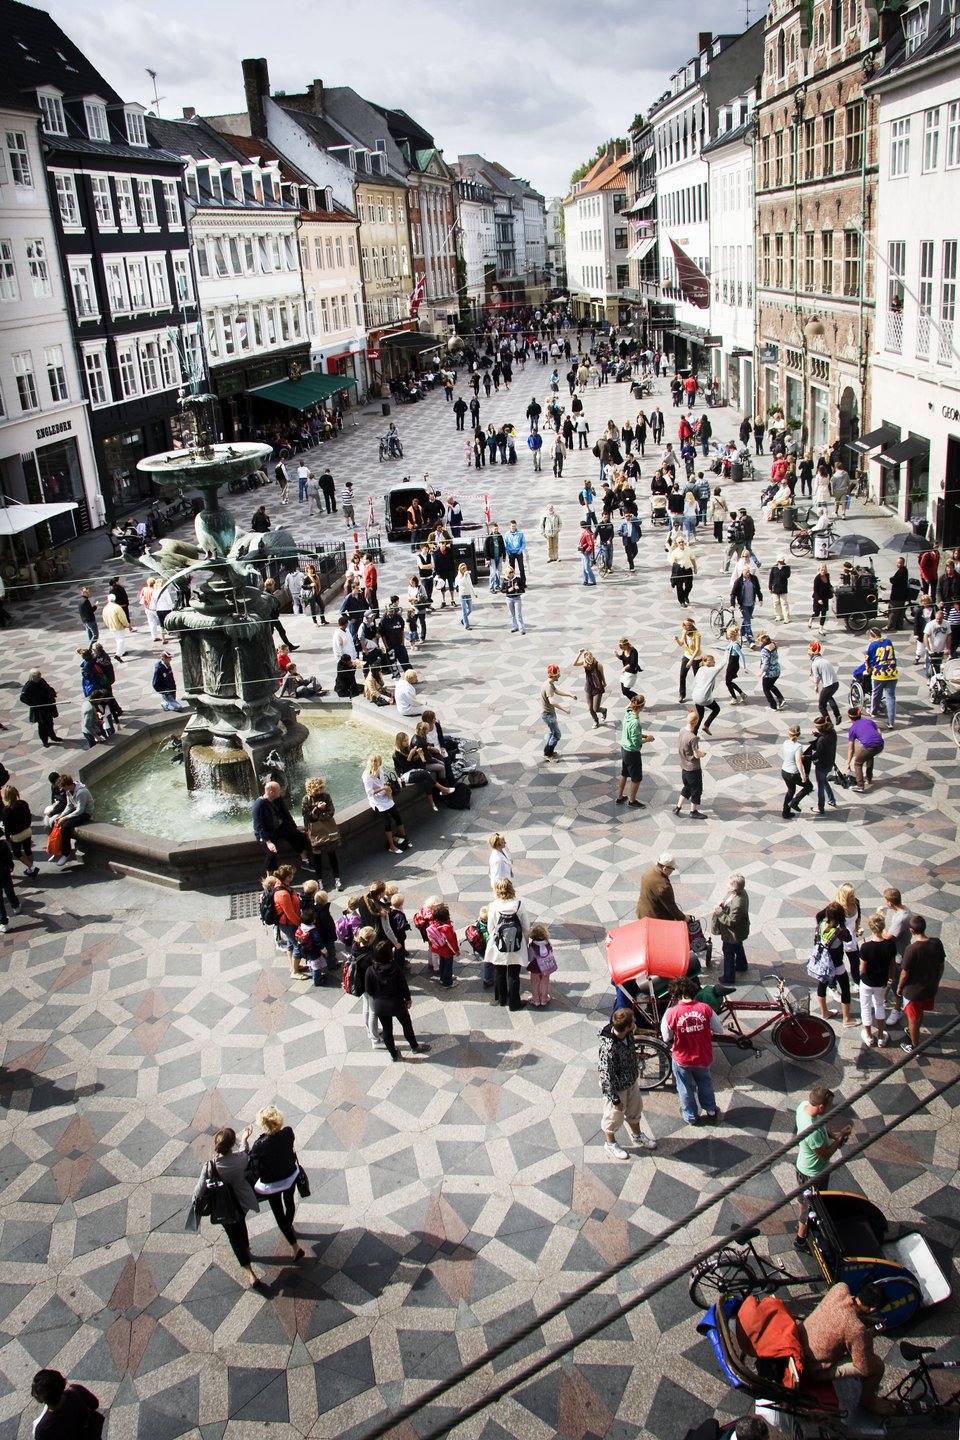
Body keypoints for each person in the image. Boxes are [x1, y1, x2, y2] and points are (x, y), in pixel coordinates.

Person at [799, 1282, 892, 1415]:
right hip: (813, 1368)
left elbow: (843, 1314)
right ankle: (867, 1403)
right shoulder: (856, 1329)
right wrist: (868, 1336)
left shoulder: (840, 1288)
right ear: (873, 1309)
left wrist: (866, 1322)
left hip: (800, 1342)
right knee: (876, 1366)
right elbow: (864, 1368)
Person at [191, 1126, 264, 1289]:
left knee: (233, 1236)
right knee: (241, 1224)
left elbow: (199, 1190)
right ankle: (246, 1247)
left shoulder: (210, 1167)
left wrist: (195, 1203)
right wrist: (245, 1138)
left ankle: (249, 1272)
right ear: (232, 1145)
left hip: (224, 1208)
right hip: (242, 1202)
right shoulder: (240, 1160)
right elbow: (245, 1152)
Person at [794, 1085, 851, 1249]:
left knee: (802, 1200)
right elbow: (824, 1154)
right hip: (813, 1173)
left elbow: (822, 1126)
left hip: (801, 1166)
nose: (830, 1109)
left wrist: (835, 1134)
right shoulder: (811, 1132)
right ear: (821, 1107)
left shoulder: (803, 1106)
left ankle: (801, 1225)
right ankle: (801, 1240)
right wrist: (839, 1141)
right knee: (810, 1208)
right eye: (829, 1106)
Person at [661, 977, 724, 1125]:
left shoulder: (671, 1013)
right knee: (705, 1083)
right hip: (703, 1056)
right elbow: (719, 1029)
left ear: (676, 995)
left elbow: (666, 1037)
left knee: (684, 1087)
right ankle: (711, 1109)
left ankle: (690, 1116)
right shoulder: (705, 1008)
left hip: (682, 1058)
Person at [597, 1007, 658, 1159]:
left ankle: (637, 1135)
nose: (635, 1023)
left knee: (635, 1110)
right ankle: (610, 1143)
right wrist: (615, 1099)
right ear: (626, 1026)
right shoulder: (609, 1048)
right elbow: (605, 1076)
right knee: (613, 1116)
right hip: (617, 1088)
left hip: (631, 1080)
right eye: (633, 1022)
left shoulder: (628, 1034)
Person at [247, 1107, 304, 1260]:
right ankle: (289, 1225)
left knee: (278, 1213)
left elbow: (251, 1160)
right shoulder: (288, 1132)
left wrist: (245, 1140)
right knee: (290, 1202)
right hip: (290, 1176)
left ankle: (295, 1246)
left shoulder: (259, 1144)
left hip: (272, 1184)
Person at [365, 942, 429, 1060]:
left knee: (387, 1029)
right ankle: (414, 1046)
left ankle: (393, 1054)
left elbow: (369, 990)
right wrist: (408, 999)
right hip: (397, 1003)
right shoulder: (395, 968)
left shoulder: (370, 970)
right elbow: (403, 986)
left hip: (380, 1005)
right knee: (406, 1025)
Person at [895, 914, 945, 1054]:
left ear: (911, 931)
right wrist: (937, 981)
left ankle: (915, 1047)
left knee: (912, 1018)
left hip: (913, 992)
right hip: (929, 988)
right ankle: (914, 1030)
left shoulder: (911, 949)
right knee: (919, 1013)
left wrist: (899, 988)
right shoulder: (937, 943)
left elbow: (904, 973)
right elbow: (941, 966)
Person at [485, 877, 531, 1011]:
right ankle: (514, 1003)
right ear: (511, 888)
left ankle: (501, 998)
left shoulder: (493, 906)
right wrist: (525, 941)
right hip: (516, 944)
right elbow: (526, 927)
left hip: (499, 945)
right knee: (513, 974)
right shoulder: (518, 905)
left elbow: (490, 928)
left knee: (499, 972)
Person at [858, 913, 895, 1047]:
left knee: (865, 1007)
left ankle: (869, 1036)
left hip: (867, 982)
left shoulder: (865, 947)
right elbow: (892, 964)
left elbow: (862, 969)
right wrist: (892, 977)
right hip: (881, 982)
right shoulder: (890, 945)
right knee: (880, 1005)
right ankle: (880, 1036)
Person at [29, 1370, 103, 1437]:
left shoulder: (42, 1429)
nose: (32, 1393)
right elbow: (95, 1403)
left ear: (42, 1399)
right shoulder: (76, 1390)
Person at [363, 753, 410, 854]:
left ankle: (404, 838)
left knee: (398, 817)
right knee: (387, 823)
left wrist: (386, 788)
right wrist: (382, 788)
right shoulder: (367, 775)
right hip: (377, 801)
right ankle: (392, 846)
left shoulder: (380, 770)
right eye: (376, 763)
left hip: (385, 796)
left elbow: (383, 782)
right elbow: (369, 793)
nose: (377, 765)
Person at [301, 777, 341, 891]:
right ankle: (320, 881)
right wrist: (318, 809)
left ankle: (337, 879)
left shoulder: (326, 796)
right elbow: (307, 817)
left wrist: (321, 814)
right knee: (317, 858)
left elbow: (331, 812)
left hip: (328, 831)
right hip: (315, 833)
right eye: (319, 787)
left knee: (332, 855)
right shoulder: (306, 799)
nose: (322, 789)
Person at [615, 693, 653, 808]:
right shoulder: (635, 722)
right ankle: (632, 800)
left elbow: (631, 734)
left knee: (624, 773)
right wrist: (648, 739)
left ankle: (620, 797)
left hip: (624, 749)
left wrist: (643, 735)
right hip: (632, 753)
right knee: (636, 778)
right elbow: (636, 742)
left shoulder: (627, 714)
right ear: (641, 707)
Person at [712, 874, 750, 984]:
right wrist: (723, 903)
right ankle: (742, 965)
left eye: (728, 884)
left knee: (728, 952)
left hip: (733, 933)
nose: (726, 886)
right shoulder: (738, 892)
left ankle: (729, 977)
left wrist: (720, 913)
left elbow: (731, 921)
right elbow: (728, 899)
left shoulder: (739, 903)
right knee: (738, 946)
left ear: (734, 888)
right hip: (738, 932)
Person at [2, 783, 39, 879]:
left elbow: (7, 826)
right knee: (28, 850)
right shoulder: (23, 803)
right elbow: (29, 816)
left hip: (17, 835)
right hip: (27, 831)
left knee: (17, 853)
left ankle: (32, 867)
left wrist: (7, 836)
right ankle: (31, 870)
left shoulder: (6, 810)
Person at [636, 854, 688, 921]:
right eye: (672, 869)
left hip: (642, 911)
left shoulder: (649, 871)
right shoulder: (664, 886)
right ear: (665, 868)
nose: (672, 871)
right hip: (655, 918)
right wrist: (683, 917)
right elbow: (671, 906)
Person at [55, 774, 93, 865]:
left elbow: (80, 810)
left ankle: (66, 853)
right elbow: (69, 805)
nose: (62, 789)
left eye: (62, 787)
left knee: (65, 827)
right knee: (56, 823)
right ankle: (58, 848)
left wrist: (65, 818)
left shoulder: (81, 792)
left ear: (67, 785)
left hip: (85, 813)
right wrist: (61, 816)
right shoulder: (69, 791)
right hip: (76, 809)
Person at [675, 710, 707, 819]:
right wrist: (703, 754)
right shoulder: (693, 737)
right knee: (696, 790)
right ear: (696, 722)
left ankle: (678, 807)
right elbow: (696, 754)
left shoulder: (681, 730)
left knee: (687, 787)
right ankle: (693, 811)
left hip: (684, 767)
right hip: (693, 768)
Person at [865, 627, 898, 729]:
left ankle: (874, 712)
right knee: (891, 697)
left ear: (872, 636)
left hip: (879, 673)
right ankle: (891, 722)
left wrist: (868, 670)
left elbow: (868, 659)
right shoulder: (888, 641)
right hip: (892, 672)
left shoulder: (872, 644)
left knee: (876, 693)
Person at [540, 663, 574, 763]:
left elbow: (557, 692)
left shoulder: (549, 683)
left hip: (548, 713)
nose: (559, 676)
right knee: (557, 735)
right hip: (548, 714)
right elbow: (552, 701)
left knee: (552, 732)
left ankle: (548, 751)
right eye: (558, 675)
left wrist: (570, 695)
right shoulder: (548, 686)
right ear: (553, 676)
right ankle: (548, 754)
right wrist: (564, 709)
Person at [844, 707, 884, 792]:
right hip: (880, 744)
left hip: (869, 746)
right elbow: (879, 731)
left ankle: (860, 785)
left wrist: (848, 763)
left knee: (858, 763)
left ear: (850, 717)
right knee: (869, 756)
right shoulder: (869, 721)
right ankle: (869, 778)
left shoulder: (852, 729)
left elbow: (851, 749)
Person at [19, 669, 60, 747]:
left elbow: (48, 688)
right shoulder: (28, 687)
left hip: (48, 706)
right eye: (38, 677)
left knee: (50, 723)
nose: (39, 678)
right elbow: (22, 698)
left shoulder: (42, 681)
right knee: (42, 726)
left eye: (40, 676)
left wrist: (52, 693)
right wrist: (34, 704)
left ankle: (53, 736)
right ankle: (45, 741)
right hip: (40, 710)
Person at [780, 724, 809, 820]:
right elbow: (798, 761)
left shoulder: (785, 743)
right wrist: (803, 774)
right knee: (809, 787)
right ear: (799, 734)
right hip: (793, 773)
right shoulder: (798, 746)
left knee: (790, 790)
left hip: (784, 771)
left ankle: (785, 812)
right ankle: (794, 802)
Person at [574, 648, 607, 727]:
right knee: (590, 708)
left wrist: (604, 683)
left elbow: (602, 675)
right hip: (589, 687)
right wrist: (579, 653)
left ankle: (604, 710)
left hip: (597, 687)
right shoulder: (584, 663)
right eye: (587, 663)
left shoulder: (598, 665)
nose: (588, 665)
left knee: (596, 708)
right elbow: (574, 663)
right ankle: (596, 721)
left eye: (589, 663)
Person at [690, 654, 720, 734]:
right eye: (713, 661)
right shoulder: (710, 670)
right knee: (716, 709)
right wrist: (727, 653)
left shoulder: (701, 669)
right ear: (710, 662)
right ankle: (706, 725)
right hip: (703, 697)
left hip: (696, 696)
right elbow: (721, 665)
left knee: (700, 716)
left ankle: (694, 734)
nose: (715, 663)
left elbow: (694, 683)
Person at [674, 617, 702, 703]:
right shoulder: (684, 631)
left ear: (691, 625)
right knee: (682, 675)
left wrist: (691, 661)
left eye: (687, 625)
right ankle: (682, 695)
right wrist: (677, 639)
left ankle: (700, 694)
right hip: (687, 655)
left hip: (696, 657)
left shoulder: (696, 634)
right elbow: (681, 643)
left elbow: (697, 649)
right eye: (684, 625)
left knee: (697, 677)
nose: (686, 627)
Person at [758, 634, 785, 711]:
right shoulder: (773, 644)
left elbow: (765, 663)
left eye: (759, 642)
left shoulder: (764, 650)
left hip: (769, 673)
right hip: (777, 670)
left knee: (766, 689)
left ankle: (773, 706)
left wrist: (761, 672)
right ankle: (781, 699)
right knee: (770, 686)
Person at [810, 564, 833, 636]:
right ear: (819, 570)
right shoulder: (817, 578)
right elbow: (815, 590)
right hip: (818, 598)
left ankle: (821, 629)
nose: (822, 572)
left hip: (825, 597)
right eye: (821, 570)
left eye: (824, 570)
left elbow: (828, 584)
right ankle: (811, 618)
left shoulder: (827, 576)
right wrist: (819, 599)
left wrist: (832, 588)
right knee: (817, 613)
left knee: (824, 614)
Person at [503, 567, 526, 634]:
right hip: (509, 598)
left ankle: (521, 628)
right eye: (509, 573)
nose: (511, 574)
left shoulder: (517, 579)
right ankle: (514, 627)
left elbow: (523, 587)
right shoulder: (505, 580)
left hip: (517, 598)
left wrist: (518, 588)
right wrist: (508, 590)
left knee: (518, 614)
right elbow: (502, 590)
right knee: (512, 614)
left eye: (512, 572)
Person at [504, 519, 527, 585]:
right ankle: (512, 583)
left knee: (521, 568)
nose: (513, 527)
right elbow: (505, 544)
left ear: (516, 526)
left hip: (518, 553)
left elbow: (523, 543)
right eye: (512, 526)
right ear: (510, 526)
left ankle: (523, 582)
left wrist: (520, 550)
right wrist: (508, 551)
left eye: (514, 526)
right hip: (511, 553)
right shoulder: (507, 534)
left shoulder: (520, 533)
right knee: (511, 569)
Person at [454, 562, 475, 630]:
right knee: (464, 611)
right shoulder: (458, 577)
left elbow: (470, 583)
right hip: (462, 595)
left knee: (470, 609)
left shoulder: (468, 575)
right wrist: (464, 576)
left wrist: (474, 593)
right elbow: (460, 583)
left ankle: (463, 619)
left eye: (465, 568)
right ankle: (467, 625)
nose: (464, 570)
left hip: (468, 593)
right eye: (463, 569)